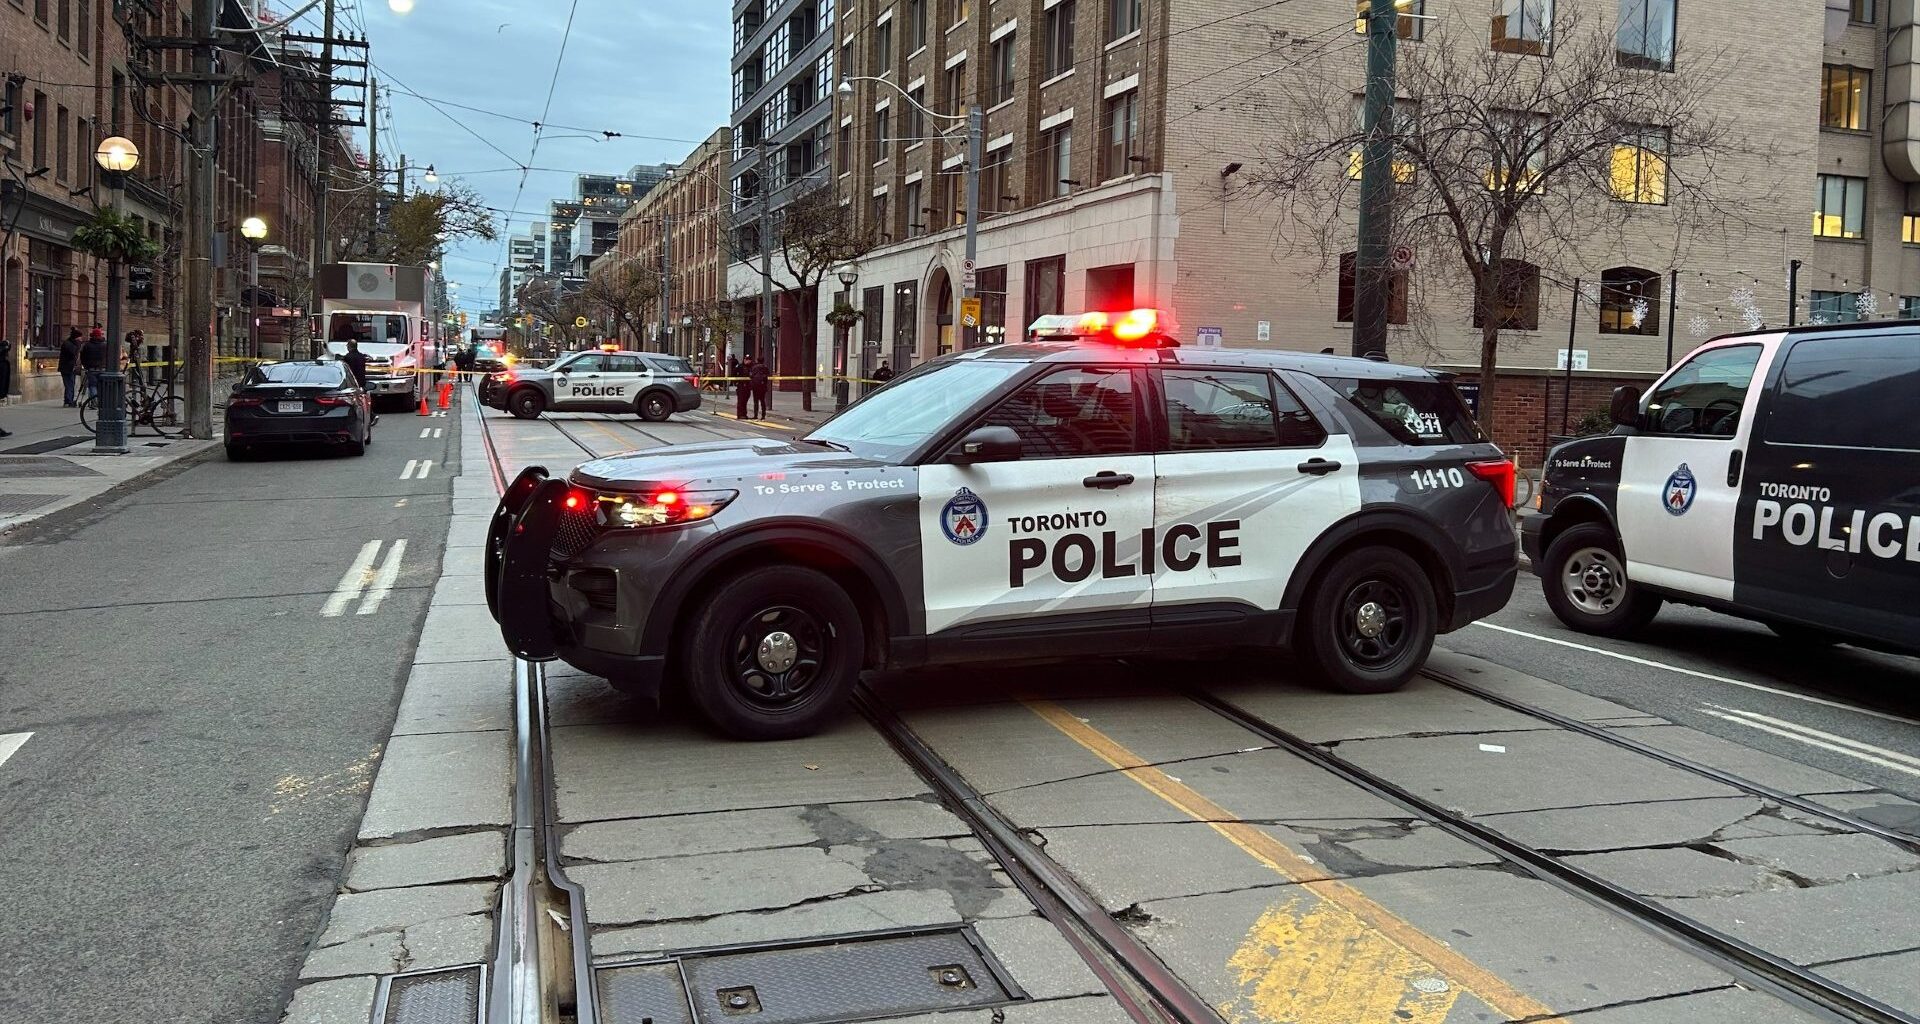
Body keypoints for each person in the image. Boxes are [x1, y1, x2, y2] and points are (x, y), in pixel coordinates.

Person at [340, 339, 378, 424]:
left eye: (347, 346)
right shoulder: (361, 356)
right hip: (362, 382)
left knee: (353, 400)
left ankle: (363, 417)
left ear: (349, 347)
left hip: (352, 382)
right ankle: (371, 416)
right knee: (363, 399)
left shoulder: (348, 357)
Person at [80, 328, 108, 399]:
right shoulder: (105, 345)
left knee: (92, 385)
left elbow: (82, 356)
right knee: (102, 385)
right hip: (103, 368)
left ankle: (94, 401)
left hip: (91, 368)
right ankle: (101, 401)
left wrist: (85, 365)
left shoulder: (87, 345)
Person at [58, 328, 83, 406]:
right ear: (76, 337)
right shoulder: (68, 344)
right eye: (80, 337)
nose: (81, 339)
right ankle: (69, 401)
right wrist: (78, 345)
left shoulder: (70, 343)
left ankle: (68, 400)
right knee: (69, 384)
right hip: (67, 367)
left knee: (70, 384)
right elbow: (74, 354)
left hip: (70, 367)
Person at [735, 356, 753, 420]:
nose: (747, 361)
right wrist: (736, 382)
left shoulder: (751, 367)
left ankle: (744, 414)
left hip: (748, 386)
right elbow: (734, 374)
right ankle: (739, 414)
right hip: (741, 386)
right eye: (746, 359)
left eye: (749, 360)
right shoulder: (739, 366)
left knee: (745, 401)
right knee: (740, 401)